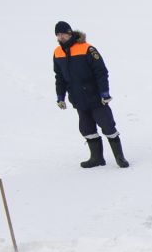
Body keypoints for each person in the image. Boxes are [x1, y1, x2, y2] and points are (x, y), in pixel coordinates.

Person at [52, 21, 128, 168]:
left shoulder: (87, 48)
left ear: (70, 33)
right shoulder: (57, 52)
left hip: (95, 97)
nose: (60, 37)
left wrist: (104, 93)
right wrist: (60, 96)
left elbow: (101, 72)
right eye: (58, 34)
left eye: (63, 34)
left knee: (108, 126)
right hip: (77, 98)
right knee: (86, 128)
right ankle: (97, 158)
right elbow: (59, 77)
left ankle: (120, 157)